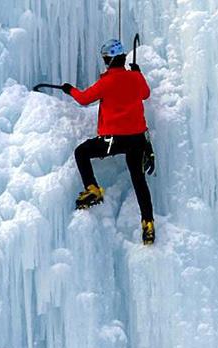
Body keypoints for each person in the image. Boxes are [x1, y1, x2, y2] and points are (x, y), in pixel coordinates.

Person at [61, 38, 156, 245]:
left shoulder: (107, 82)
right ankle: (148, 223)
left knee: (81, 152)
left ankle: (93, 189)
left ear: (109, 60)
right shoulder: (135, 77)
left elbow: (84, 98)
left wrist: (69, 89)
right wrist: (138, 72)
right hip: (138, 139)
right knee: (138, 180)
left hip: (114, 139)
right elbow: (145, 94)